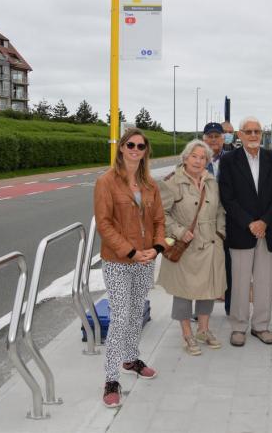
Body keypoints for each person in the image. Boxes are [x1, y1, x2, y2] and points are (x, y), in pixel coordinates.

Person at [94, 128, 165, 408]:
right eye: (130, 145)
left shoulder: (150, 184)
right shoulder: (106, 182)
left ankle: (130, 358)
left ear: (146, 151)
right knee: (121, 316)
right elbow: (104, 224)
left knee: (136, 313)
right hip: (118, 261)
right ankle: (111, 379)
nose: (136, 149)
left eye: (141, 146)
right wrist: (131, 252)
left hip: (145, 260)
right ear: (121, 148)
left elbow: (159, 220)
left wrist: (156, 249)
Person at [219, 116, 272, 347]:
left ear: (262, 133)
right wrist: (250, 223)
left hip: (267, 231)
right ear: (239, 135)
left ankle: (261, 326)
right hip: (240, 230)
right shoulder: (229, 161)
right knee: (238, 282)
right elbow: (227, 198)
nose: (253, 135)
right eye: (248, 131)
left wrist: (264, 222)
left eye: (257, 131)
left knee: (264, 281)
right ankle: (238, 327)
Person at [157, 140, 226, 356]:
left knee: (208, 290)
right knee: (183, 292)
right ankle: (187, 334)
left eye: (203, 157)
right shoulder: (171, 182)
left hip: (211, 243)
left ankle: (203, 330)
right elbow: (161, 214)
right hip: (187, 246)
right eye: (194, 156)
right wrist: (178, 232)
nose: (198, 161)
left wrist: (221, 233)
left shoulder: (212, 181)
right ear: (185, 158)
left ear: (208, 161)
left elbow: (220, 210)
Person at [203, 122, 233, 315]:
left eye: (217, 136)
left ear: (224, 138)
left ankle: (231, 305)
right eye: (210, 136)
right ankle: (202, 308)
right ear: (204, 138)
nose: (213, 140)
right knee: (204, 265)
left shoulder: (233, 159)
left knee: (230, 264)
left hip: (229, 218)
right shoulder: (195, 159)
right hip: (204, 220)